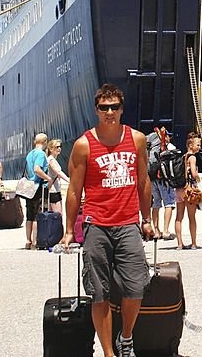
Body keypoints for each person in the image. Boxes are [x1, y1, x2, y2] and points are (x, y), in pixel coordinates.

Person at [60, 84, 153, 357]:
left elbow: (143, 180)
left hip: (128, 224)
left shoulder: (136, 139)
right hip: (96, 224)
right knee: (99, 293)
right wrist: (68, 230)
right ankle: (109, 353)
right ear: (97, 110)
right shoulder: (84, 145)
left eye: (114, 107)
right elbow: (74, 190)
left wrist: (147, 219)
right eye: (104, 107)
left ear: (122, 109)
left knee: (136, 286)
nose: (109, 112)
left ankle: (126, 338)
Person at [24, 133, 53, 250]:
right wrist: (48, 178)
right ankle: (36, 241)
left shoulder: (29, 154)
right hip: (39, 187)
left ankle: (28, 240)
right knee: (38, 215)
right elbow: (37, 169)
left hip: (29, 188)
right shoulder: (41, 154)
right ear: (45, 142)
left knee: (29, 216)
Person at [147, 126, 175, 240]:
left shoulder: (151, 148)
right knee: (169, 204)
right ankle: (166, 231)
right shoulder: (168, 147)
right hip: (163, 179)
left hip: (152, 176)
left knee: (156, 204)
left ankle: (156, 231)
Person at [175, 136, 202, 250]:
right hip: (189, 190)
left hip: (179, 189)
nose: (199, 147)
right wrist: (199, 179)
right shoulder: (192, 158)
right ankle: (193, 243)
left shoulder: (182, 157)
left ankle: (180, 244)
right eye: (198, 145)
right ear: (191, 146)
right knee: (192, 217)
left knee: (179, 217)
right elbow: (193, 173)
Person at [46, 139, 70, 214]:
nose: (59, 148)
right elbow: (58, 172)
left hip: (54, 189)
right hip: (53, 190)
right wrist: (69, 181)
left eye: (60, 146)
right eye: (57, 147)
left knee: (53, 214)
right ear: (51, 149)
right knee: (58, 214)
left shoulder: (51, 159)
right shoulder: (51, 160)